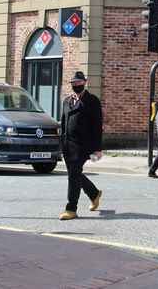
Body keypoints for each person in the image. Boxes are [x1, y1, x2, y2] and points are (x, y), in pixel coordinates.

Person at [59, 71, 103, 220]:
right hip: (67, 145)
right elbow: (63, 123)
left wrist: (98, 148)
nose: (76, 85)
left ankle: (71, 209)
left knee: (73, 175)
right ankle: (94, 193)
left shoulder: (92, 101)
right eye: (74, 83)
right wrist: (61, 143)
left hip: (83, 145)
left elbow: (97, 125)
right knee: (75, 174)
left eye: (79, 83)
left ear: (85, 82)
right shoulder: (66, 101)